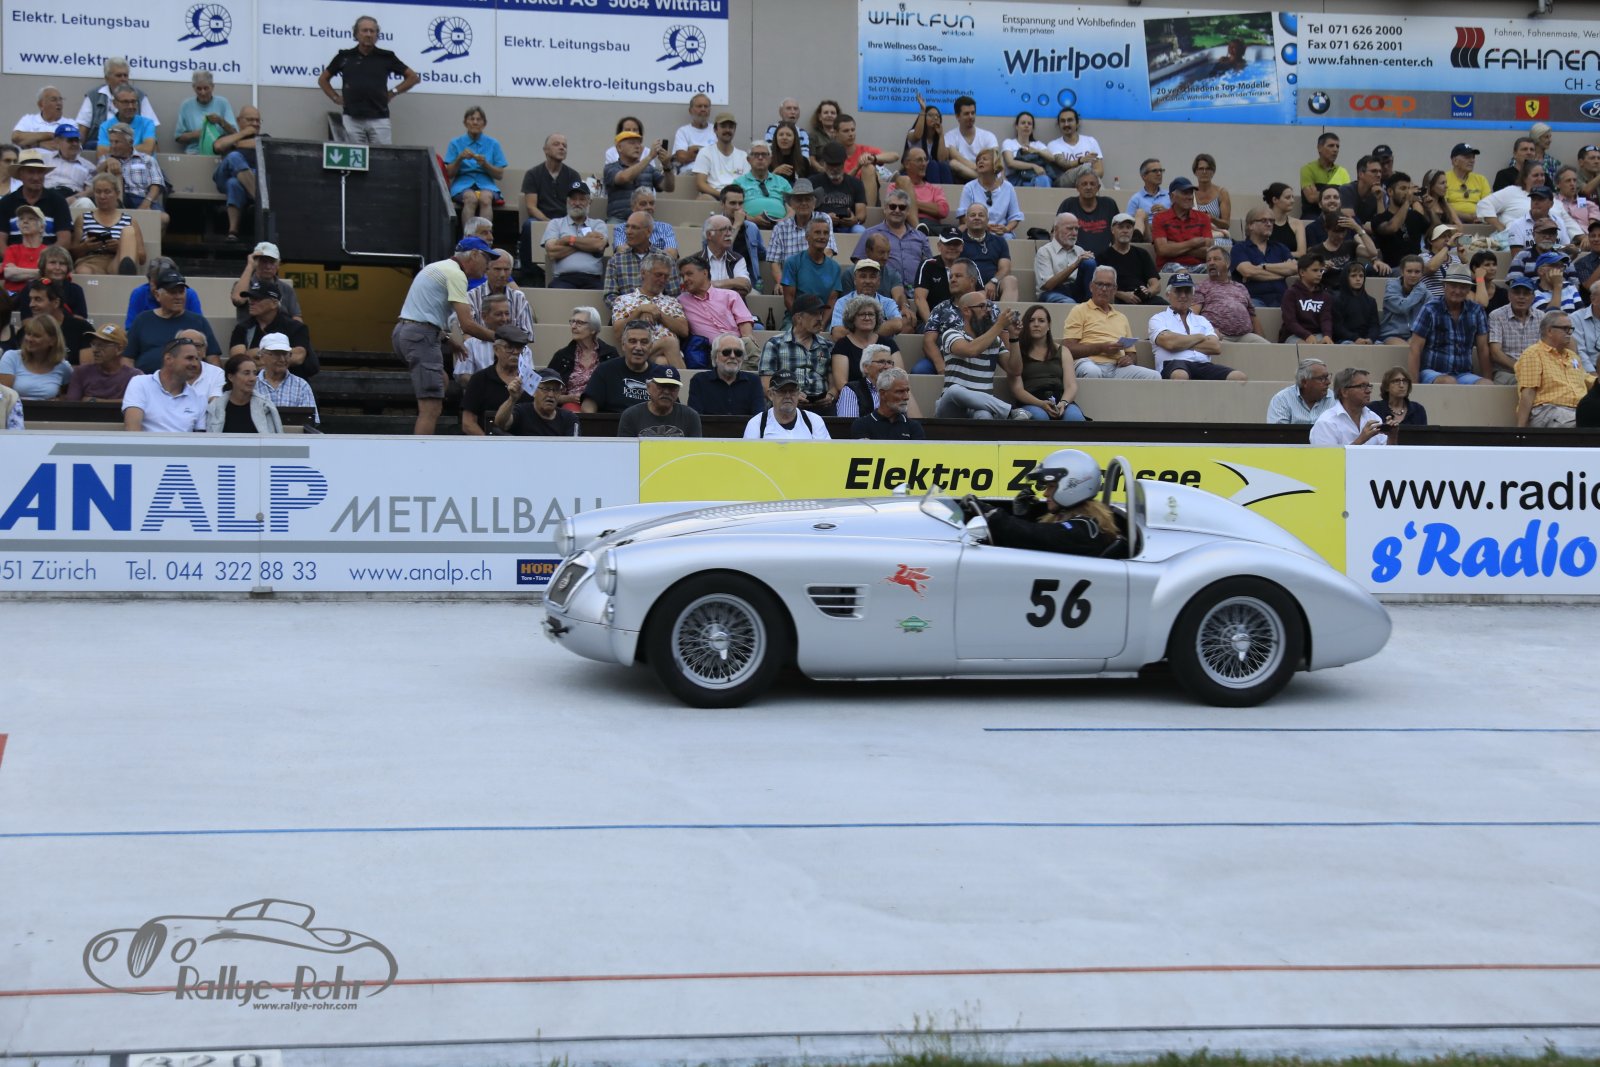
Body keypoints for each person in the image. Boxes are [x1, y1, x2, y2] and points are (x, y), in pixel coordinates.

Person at [393, 237, 494, 434]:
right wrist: (500, 337)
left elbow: (422, 313)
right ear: (474, 255)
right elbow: (468, 325)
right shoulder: (456, 275)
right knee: (431, 408)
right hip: (420, 337)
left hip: (403, 332)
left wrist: (447, 339)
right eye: (487, 259)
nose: (488, 266)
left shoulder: (438, 266)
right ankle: (421, 450)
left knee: (442, 380)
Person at [982, 450, 1121, 557]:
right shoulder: (1073, 521)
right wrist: (1021, 516)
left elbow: (1038, 536)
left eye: (1051, 486)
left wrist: (993, 515)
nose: (1045, 493)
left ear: (1072, 485)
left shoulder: (1084, 529)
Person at [318, 15, 418, 145]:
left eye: (372, 31)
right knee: (354, 156)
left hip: (379, 118)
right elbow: (323, 79)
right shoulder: (345, 57)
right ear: (356, 34)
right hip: (352, 118)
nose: (369, 34)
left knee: (382, 156)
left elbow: (413, 77)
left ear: (377, 34)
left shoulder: (386, 57)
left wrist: (393, 92)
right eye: (364, 30)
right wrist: (335, 97)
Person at [1065, 266, 1160, 380]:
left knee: (1154, 376)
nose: (1104, 289)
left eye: (1108, 285)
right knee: (1092, 371)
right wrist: (1101, 348)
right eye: (1099, 284)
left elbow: (1131, 353)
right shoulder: (1079, 310)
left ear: (1115, 290)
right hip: (1088, 362)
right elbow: (1068, 348)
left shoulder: (1121, 317)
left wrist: (1129, 359)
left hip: (1117, 367)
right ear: (1091, 286)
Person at [1148, 273, 1245, 381]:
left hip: (1203, 365)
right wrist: (1200, 337)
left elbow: (1215, 347)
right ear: (1168, 294)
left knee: (1238, 377)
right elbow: (1170, 343)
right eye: (1178, 291)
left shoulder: (1202, 320)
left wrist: (1180, 343)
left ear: (1193, 295)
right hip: (1173, 364)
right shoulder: (1158, 319)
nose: (1183, 295)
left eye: (1187, 291)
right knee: (1180, 375)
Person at [124, 268, 220, 372]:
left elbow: (213, 359)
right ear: (157, 295)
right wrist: (136, 379)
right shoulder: (142, 320)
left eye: (181, 292)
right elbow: (127, 358)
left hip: (189, 380)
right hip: (147, 379)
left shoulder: (199, 321)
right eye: (172, 292)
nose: (178, 297)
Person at [1409, 264, 1492, 385]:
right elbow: (1415, 348)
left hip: (1463, 373)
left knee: (1486, 384)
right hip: (1432, 372)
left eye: (1463, 287)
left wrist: (1489, 380)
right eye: (1453, 286)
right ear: (1444, 286)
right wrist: (1414, 385)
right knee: (1449, 381)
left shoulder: (1476, 311)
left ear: (1469, 290)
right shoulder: (1430, 309)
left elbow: (1483, 349)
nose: (1457, 291)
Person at [1513, 310, 1591, 428]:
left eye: (1570, 329)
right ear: (1549, 331)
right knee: (1587, 423)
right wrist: (1520, 431)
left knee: (1590, 419)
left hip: (1579, 410)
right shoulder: (1533, 353)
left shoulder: (1573, 356)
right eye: (1565, 329)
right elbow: (1528, 392)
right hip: (1548, 410)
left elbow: (1587, 379)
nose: (1569, 333)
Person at [1009, 304, 1085, 421]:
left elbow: (1071, 385)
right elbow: (1017, 390)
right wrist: (1041, 404)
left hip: (1060, 400)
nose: (1036, 324)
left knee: (1075, 417)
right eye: (1031, 320)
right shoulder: (1018, 351)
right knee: (1040, 417)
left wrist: (1063, 403)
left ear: (1048, 325)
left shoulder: (1063, 351)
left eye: (1041, 321)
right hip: (1031, 402)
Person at [759, 292, 834, 411]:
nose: (820, 318)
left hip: (821, 408)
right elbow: (766, 385)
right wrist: (792, 397)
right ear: (799, 318)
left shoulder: (828, 346)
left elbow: (833, 384)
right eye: (814, 314)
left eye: (820, 313)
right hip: (786, 406)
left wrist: (830, 395)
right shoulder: (774, 344)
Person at [611, 252, 688, 366]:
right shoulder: (623, 300)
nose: (662, 280)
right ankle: (685, 378)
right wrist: (639, 311)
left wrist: (658, 314)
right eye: (658, 275)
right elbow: (618, 334)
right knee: (670, 342)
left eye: (666, 276)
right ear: (643, 273)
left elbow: (684, 331)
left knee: (662, 361)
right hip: (637, 351)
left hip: (668, 357)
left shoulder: (672, 302)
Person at [678, 254, 755, 364]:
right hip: (709, 351)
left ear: (705, 273)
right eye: (682, 276)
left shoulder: (730, 295)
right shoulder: (681, 301)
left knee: (749, 344)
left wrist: (746, 339)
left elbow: (744, 321)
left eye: (689, 274)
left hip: (736, 345)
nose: (685, 279)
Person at [230, 278, 315, 376]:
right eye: (250, 298)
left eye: (257, 299)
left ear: (274, 303)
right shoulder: (242, 328)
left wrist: (256, 354)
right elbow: (238, 360)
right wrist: (280, 355)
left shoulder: (295, 327)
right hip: (254, 383)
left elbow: (298, 357)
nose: (251, 302)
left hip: (289, 382)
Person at [444, 106, 507, 237]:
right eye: (471, 119)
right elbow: (449, 173)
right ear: (465, 122)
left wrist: (485, 164)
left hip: (486, 185)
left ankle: (484, 239)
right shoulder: (455, 143)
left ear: (484, 124)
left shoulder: (493, 143)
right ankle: (468, 239)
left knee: (485, 198)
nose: (475, 122)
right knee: (470, 198)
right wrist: (460, 158)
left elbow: (499, 174)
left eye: (479, 119)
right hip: (462, 185)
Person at [764, 180, 834, 294]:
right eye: (799, 199)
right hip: (789, 281)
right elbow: (774, 262)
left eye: (807, 199)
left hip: (817, 277)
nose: (803, 203)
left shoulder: (824, 219)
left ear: (814, 203)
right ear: (792, 204)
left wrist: (807, 278)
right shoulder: (780, 227)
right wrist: (782, 282)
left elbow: (828, 252)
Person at [74, 57, 158, 151]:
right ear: (107, 78)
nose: (123, 79)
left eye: (125, 75)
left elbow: (151, 136)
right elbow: (82, 130)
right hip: (100, 146)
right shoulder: (93, 96)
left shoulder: (140, 96)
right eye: (119, 76)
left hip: (135, 149)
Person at [122, 336, 204, 432]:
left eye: (197, 359)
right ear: (168, 359)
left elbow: (200, 438)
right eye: (189, 358)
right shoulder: (140, 383)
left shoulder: (198, 398)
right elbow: (132, 430)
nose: (195, 364)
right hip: (145, 442)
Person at [459, 323, 528, 435]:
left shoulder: (530, 379)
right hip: (487, 440)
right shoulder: (480, 379)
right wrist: (489, 443)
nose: (515, 352)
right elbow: (468, 423)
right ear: (496, 349)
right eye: (509, 347)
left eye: (519, 348)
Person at [542, 181, 609, 292]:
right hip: (563, 279)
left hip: (593, 280)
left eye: (582, 199)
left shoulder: (598, 224)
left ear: (589, 201)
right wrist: (586, 242)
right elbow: (552, 252)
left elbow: (598, 245)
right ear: (567, 201)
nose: (577, 203)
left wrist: (568, 239)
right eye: (573, 199)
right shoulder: (555, 223)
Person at [860, 188, 929, 294]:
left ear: (908, 211)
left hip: (916, 294)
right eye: (892, 206)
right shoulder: (869, 233)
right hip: (882, 293)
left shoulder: (920, 237)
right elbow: (859, 264)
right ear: (885, 209)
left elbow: (929, 265)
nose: (897, 210)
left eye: (902, 207)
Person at [582, 319, 657, 414]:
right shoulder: (605, 370)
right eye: (632, 341)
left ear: (651, 347)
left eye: (644, 342)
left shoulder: (660, 375)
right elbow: (588, 408)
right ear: (623, 345)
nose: (638, 347)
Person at [1195, 246, 1267, 342]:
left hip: (1245, 336)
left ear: (1227, 263)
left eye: (1216, 259)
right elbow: (1193, 314)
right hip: (1218, 336)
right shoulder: (1201, 286)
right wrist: (1206, 331)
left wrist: (1264, 344)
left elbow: (1253, 316)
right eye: (1208, 260)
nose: (1211, 263)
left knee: (1266, 346)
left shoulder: (1241, 287)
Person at [100, 124, 167, 228]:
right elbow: (96, 178)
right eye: (111, 142)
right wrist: (106, 162)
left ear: (130, 142)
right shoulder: (106, 159)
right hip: (116, 200)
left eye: (117, 142)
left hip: (142, 197)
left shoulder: (147, 159)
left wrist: (146, 203)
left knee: (163, 218)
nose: (112, 146)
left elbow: (157, 184)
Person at [0, 150, 71, 245]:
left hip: (49, 253)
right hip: (13, 254)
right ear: (20, 174)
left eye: (40, 172)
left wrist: (46, 254)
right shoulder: (6, 202)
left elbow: (64, 240)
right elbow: (0, 241)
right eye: (31, 172)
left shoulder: (58, 201)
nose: (36, 178)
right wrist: (11, 254)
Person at [603, 131, 674, 225]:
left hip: (645, 220)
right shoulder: (611, 168)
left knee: (664, 228)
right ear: (619, 147)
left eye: (639, 143)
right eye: (632, 143)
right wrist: (649, 157)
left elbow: (669, 187)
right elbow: (624, 177)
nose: (637, 146)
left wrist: (667, 166)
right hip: (619, 220)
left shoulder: (649, 168)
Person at [1230, 207, 1295, 308]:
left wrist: (1264, 266)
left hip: (1282, 299)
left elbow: (1294, 268)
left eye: (1271, 221)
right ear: (1251, 225)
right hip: (1254, 299)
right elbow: (1248, 272)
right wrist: (1282, 274)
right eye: (1264, 220)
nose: (1269, 224)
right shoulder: (1239, 248)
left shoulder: (1280, 248)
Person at [1310, 367, 1392, 446]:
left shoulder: (1374, 417)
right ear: (1344, 392)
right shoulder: (1326, 422)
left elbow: (1388, 454)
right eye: (1362, 386)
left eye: (1369, 386)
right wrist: (1360, 440)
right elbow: (1328, 456)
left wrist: (1392, 436)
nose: (1368, 391)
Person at [782, 216, 843, 320]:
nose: (822, 236)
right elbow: (789, 299)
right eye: (817, 232)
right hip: (797, 318)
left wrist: (821, 324)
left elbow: (832, 301)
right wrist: (803, 322)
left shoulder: (835, 268)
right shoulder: (792, 262)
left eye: (826, 233)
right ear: (807, 237)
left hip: (824, 320)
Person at [689, 335, 764, 418]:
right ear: (715, 356)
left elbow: (759, 418)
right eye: (726, 352)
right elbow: (694, 419)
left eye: (738, 353)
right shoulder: (699, 381)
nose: (732, 356)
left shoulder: (754, 381)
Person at [21, 278, 92, 364]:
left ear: (56, 303)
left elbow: (86, 369)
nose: (31, 304)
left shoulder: (82, 329)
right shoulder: (25, 332)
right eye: (31, 299)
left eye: (38, 299)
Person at [616, 365, 700, 437]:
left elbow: (696, 449)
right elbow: (625, 449)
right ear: (648, 387)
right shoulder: (631, 416)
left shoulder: (690, 417)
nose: (666, 392)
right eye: (661, 386)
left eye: (672, 387)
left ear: (678, 390)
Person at [206, 353, 282, 434]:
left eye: (254, 373)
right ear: (231, 377)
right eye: (246, 373)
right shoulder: (215, 408)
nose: (252, 378)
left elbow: (275, 438)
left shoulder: (265, 406)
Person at [252, 332, 318, 424]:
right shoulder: (251, 384)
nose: (282, 359)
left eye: (286, 354)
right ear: (262, 357)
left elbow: (310, 422)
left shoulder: (301, 386)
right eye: (276, 354)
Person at [836, 345, 916, 420]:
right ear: (866, 367)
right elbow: (848, 425)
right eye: (881, 362)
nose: (887, 366)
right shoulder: (851, 390)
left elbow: (911, 421)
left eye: (889, 362)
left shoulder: (898, 391)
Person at [1487, 275, 1542, 384]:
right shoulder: (1496, 316)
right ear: (1509, 295)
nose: (1521, 297)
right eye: (1517, 293)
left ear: (1533, 297)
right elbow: (1495, 353)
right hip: (1506, 372)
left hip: (1535, 371)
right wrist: (1520, 368)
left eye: (1526, 293)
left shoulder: (1541, 317)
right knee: (1525, 382)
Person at [958, 203, 1019, 302]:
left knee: (1011, 280)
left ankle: (1004, 312)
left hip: (993, 287)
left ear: (987, 219)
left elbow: (1005, 268)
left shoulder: (999, 241)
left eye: (981, 215)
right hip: (969, 287)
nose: (977, 218)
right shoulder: (958, 242)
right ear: (966, 220)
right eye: (973, 215)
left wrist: (993, 281)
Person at [957, 148, 1023, 238]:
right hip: (976, 231)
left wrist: (1006, 229)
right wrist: (983, 226)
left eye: (984, 159)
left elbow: (1015, 216)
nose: (980, 162)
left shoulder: (1008, 187)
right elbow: (963, 217)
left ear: (995, 163)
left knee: (1007, 237)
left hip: (1001, 234)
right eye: (978, 160)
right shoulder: (969, 187)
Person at [1098, 213, 1162, 306]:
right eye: (1121, 227)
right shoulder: (1103, 256)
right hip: (1115, 299)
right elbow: (1099, 286)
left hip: (1141, 298)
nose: (1125, 231)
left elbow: (1156, 285)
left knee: (1165, 306)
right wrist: (1122, 295)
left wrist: (1148, 292)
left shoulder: (1142, 254)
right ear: (1112, 230)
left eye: (1128, 227)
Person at [743, 373, 831, 440]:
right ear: (770, 395)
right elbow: (748, 457)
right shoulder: (757, 424)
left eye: (792, 391)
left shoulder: (814, 421)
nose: (788, 396)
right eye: (782, 391)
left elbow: (826, 454)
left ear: (798, 393)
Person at [495, 367, 578, 437]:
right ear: (534, 391)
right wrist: (512, 399)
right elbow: (501, 423)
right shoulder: (522, 412)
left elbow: (574, 448)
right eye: (546, 389)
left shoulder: (569, 418)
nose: (551, 394)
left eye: (556, 390)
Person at [1372, 172, 1431, 270]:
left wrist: (1430, 208)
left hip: (1418, 268)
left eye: (1409, 189)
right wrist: (1407, 202)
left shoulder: (1415, 215)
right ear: (1390, 192)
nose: (1408, 193)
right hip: (1394, 269)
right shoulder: (1379, 218)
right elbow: (1392, 227)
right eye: (1403, 189)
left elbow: (1435, 232)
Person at [0, 314, 68, 398]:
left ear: (52, 341)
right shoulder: (11, 357)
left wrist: (59, 400)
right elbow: (3, 397)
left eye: (36, 336)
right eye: (28, 334)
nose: (29, 339)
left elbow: (68, 396)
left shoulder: (63, 366)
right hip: (15, 406)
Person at [1152, 177, 1213, 271]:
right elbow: (1162, 250)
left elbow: (1209, 252)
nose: (1190, 197)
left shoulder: (1203, 217)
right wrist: (1192, 243)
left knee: (1216, 269)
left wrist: (1173, 246)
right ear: (1172, 196)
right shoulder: (1160, 218)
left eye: (1191, 193)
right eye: (1185, 193)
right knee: (1181, 273)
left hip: (1198, 266)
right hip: (1170, 266)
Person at [467, 249, 531, 336]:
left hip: (512, 344)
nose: (502, 274)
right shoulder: (471, 297)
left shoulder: (519, 298)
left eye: (506, 269)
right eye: (497, 269)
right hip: (479, 344)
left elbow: (527, 334)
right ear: (486, 270)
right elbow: (467, 333)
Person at [66, 322, 135, 402]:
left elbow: (136, 404)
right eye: (93, 344)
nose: (94, 350)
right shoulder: (81, 373)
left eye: (101, 345)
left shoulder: (133, 377)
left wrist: (95, 401)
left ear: (119, 349)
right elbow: (71, 405)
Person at [849, 366, 924, 439]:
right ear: (883, 394)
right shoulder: (862, 425)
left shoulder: (914, 428)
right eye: (900, 391)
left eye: (907, 391)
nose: (906, 397)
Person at [913, 228, 966, 330]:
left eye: (956, 244)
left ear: (962, 247)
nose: (952, 247)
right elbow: (919, 298)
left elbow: (980, 294)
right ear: (939, 246)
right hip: (930, 321)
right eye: (948, 243)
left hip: (963, 322)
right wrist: (933, 325)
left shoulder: (969, 265)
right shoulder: (927, 265)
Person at [1033, 213, 1091, 305]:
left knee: (1090, 263)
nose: (1074, 233)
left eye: (1076, 229)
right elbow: (1048, 286)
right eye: (1069, 228)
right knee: (1069, 303)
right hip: (1051, 292)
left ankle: (1091, 303)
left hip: (1076, 291)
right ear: (1056, 229)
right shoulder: (1044, 251)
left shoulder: (1080, 251)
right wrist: (1075, 265)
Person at [174, 70, 236, 155]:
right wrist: (200, 134)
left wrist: (220, 121)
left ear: (212, 87)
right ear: (193, 88)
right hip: (194, 152)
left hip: (219, 152)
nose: (203, 92)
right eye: (199, 89)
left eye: (206, 88)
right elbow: (178, 137)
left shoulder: (223, 103)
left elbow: (234, 133)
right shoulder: (186, 105)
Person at [688, 113, 749, 199]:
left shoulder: (743, 156)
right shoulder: (705, 153)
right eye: (723, 126)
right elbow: (700, 184)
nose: (727, 130)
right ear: (715, 130)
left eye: (731, 127)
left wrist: (735, 197)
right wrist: (723, 196)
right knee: (704, 198)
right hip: (715, 197)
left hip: (739, 199)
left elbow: (747, 183)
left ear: (734, 130)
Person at [1058, 170, 1119, 256]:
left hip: (1104, 259)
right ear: (1077, 187)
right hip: (1074, 258)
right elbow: (1056, 233)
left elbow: (1117, 233)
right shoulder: (1068, 205)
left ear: (1098, 187)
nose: (1088, 187)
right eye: (1084, 184)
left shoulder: (1109, 204)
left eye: (1092, 184)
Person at [812, 142, 866, 235]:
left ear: (844, 162)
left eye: (838, 165)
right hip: (820, 226)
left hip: (848, 227)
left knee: (860, 230)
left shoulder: (856, 183)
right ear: (824, 163)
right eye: (831, 165)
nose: (835, 168)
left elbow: (862, 214)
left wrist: (855, 220)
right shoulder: (813, 182)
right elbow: (806, 212)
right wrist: (824, 218)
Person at [735, 141, 791, 228]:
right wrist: (751, 219)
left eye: (764, 154)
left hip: (781, 226)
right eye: (756, 154)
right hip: (749, 225)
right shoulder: (738, 183)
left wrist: (783, 222)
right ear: (748, 160)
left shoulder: (782, 182)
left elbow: (793, 208)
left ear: (770, 159)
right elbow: (734, 209)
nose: (760, 158)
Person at [943, 95, 998, 183]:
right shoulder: (950, 136)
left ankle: (985, 179)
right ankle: (984, 179)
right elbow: (955, 157)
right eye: (966, 114)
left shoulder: (988, 136)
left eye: (973, 113)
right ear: (957, 116)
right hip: (962, 178)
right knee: (953, 163)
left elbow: (996, 159)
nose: (970, 116)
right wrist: (978, 169)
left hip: (987, 173)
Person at [1279, 254, 1332, 344]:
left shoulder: (1325, 296)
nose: (1319, 274)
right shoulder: (1291, 293)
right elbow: (1290, 321)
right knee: (1305, 346)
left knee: (1325, 345)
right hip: (1293, 335)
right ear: (1302, 272)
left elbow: (1326, 319)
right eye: (1315, 270)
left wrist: (1327, 335)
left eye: (1321, 271)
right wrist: (1306, 335)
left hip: (1317, 334)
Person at [1266, 358, 1337, 424]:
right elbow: (1279, 431)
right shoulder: (1282, 400)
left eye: (1327, 377)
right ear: (1304, 382)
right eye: (1321, 379)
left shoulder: (1335, 399)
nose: (1328, 382)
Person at [1045, 108, 1103, 186]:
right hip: (1063, 182)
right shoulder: (1053, 145)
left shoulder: (1090, 141)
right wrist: (1081, 161)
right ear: (1059, 124)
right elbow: (1064, 165)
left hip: (1087, 183)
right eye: (1062, 121)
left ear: (1077, 123)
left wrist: (1087, 177)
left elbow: (1100, 171)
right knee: (1085, 168)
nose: (1066, 124)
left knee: (1091, 176)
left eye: (1070, 120)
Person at [1380, 255, 1430, 345]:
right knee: (1405, 348)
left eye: (1417, 272)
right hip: (1392, 334)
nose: (1413, 275)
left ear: (1422, 273)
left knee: (1417, 345)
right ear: (1402, 272)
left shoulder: (1426, 294)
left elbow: (1432, 316)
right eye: (1409, 271)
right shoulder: (1391, 288)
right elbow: (1402, 307)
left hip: (1417, 335)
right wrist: (1419, 290)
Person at [895, 146, 950, 228]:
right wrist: (929, 207)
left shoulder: (935, 189)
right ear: (907, 164)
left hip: (931, 226)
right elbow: (893, 208)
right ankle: (918, 229)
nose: (924, 164)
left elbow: (943, 211)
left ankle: (919, 230)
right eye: (919, 160)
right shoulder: (896, 185)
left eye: (925, 159)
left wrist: (912, 203)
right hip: (905, 225)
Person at [93, 86, 155, 157]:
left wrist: (116, 150)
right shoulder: (105, 126)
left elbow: (147, 149)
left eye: (133, 102)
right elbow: (101, 153)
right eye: (125, 102)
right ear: (114, 103)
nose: (130, 106)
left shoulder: (147, 123)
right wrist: (132, 149)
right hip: (114, 163)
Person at [1300, 132, 1349, 218]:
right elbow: (1311, 198)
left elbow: (1347, 198)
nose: (1335, 149)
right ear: (1319, 148)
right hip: (1313, 215)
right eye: (1331, 146)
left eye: (1337, 146)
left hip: (1336, 215)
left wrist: (1320, 194)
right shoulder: (1308, 169)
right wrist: (1336, 195)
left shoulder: (1343, 171)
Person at [1331, 261, 1380, 345]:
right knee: (1349, 345)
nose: (1358, 279)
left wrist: (1370, 338)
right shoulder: (1337, 300)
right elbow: (1338, 327)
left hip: (1367, 340)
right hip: (1344, 340)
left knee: (1381, 346)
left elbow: (1374, 325)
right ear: (1346, 278)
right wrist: (1355, 338)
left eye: (1361, 276)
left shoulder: (1371, 301)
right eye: (1353, 276)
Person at [3, 205, 49, 294]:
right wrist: (40, 273)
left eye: (31, 219)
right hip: (13, 296)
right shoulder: (12, 249)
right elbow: (9, 273)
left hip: (39, 295)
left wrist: (18, 271)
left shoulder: (48, 252)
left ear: (42, 227)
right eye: (21, 219)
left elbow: (51, 275)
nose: (25, 221)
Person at [1002, 111, 1054, 188]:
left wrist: (1037, 151)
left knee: (1044, 179)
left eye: (1029, 124)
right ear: (1016, 126)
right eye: (1023, 123)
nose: (1026, 125)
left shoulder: (1038, 144)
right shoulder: (1009, 142)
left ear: (1032, 129)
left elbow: (1051, 158)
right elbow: (1010, 163)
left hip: (1035, 178)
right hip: (1015, 180)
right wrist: (1033, 166)